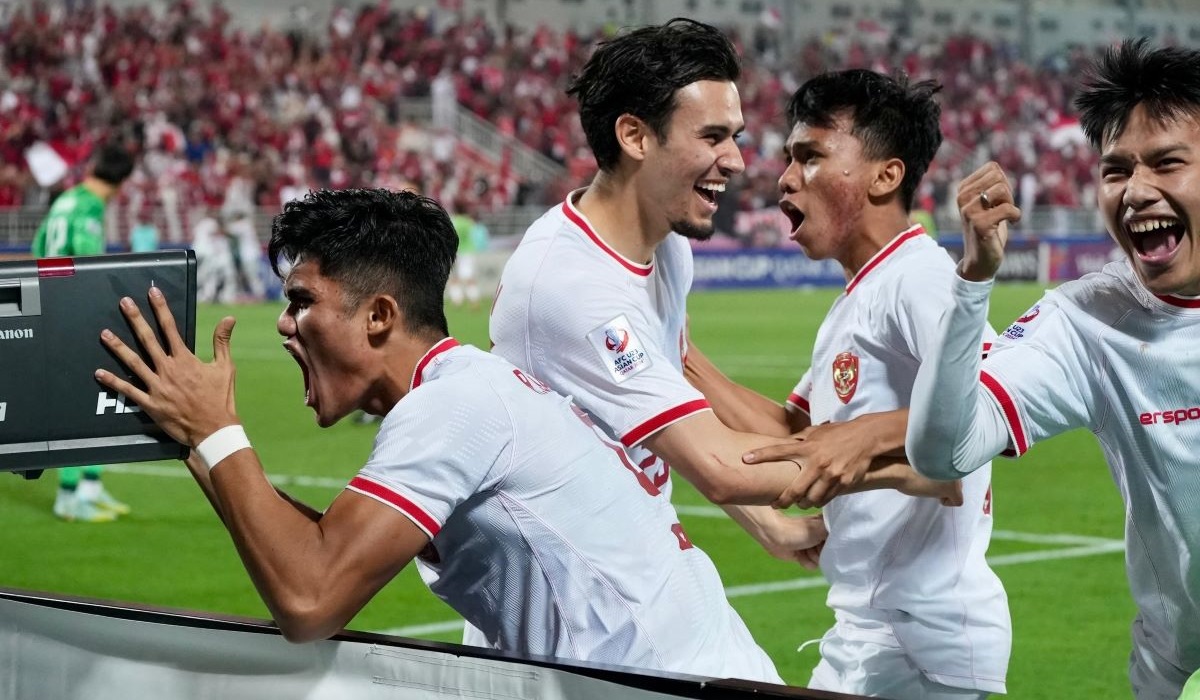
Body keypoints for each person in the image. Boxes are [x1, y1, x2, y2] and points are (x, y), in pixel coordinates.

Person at [92, 188, 785, 681]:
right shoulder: (470, 388)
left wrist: (218, 433)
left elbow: (310, 597)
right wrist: (196, 440)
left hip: (673, 685)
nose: (284, 323)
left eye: (302, 301)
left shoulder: (454, 408)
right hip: (693, 676)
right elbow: (328, 548)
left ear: (379, 316)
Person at [489, 19, 953, 572]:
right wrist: (912, 468)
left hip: (633, 553)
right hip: (559, 588)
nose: (736, 160)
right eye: (712, 137)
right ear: (635, 136)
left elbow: (677, 414)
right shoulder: (571, 286)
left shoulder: (666, 246)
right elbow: (717, 462)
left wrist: (769, 524)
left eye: (734, 136)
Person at [682, 70, 1010, 698]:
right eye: (789, 158)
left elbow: (990, 398)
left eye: (810, 157)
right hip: (876, 628)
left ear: (886, 176)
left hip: (920, 639)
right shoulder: (860, 296)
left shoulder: (917, 277)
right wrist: (682, 358)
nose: (784, 177)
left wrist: (864, 439)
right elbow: (794, 432)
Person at [905, 39, 1200, 700]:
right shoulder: (1086, 322)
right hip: (1178, 673)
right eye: (1116, 169)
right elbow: (941, 450)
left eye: (1166, 163)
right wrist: (972, 283)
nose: (1136, 192)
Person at [31, 142, 135, 523]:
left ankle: (90, 486)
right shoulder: (91, 207)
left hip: (51, 304)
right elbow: (91, 264)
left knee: (95, 396)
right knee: (81, 401)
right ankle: (69, 495)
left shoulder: (66, 199)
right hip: (76, 310)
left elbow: (38, 247)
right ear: (123, 181)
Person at [447, 199, 489, 311]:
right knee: (469, 278)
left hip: (457, 252)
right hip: (469, 251)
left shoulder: (454, 221)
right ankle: (474, 301)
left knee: (454, 278)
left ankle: (457, 300)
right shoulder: (469, 222)